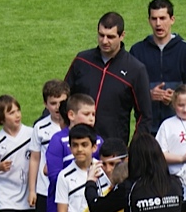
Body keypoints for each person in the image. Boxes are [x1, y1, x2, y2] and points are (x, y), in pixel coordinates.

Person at [65, 11, 154, 142]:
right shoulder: (82, 60)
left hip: (112, 146)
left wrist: (135, 147)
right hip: (78, 142)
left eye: (110, 37)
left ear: (122, 36)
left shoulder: (135, 70)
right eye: (101, 35)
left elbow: (144, 116)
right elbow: (64, 96)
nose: (104, 41)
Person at [130, 0, 186, 125]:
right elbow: (129, 86)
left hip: (178, 124)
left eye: (162, 18)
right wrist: (148, 94)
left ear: (172, 19)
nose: (158, 23)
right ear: (149, 20)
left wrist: (176, 97)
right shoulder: (137, 51)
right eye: (154, 19)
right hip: (147, 125)